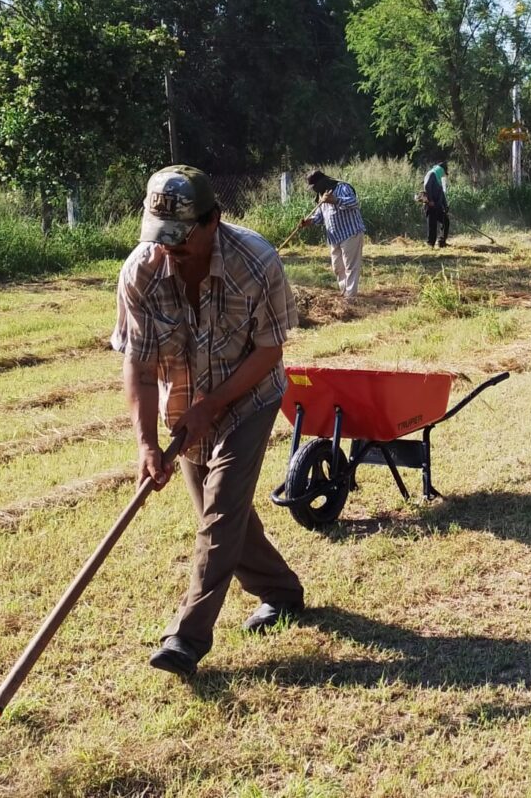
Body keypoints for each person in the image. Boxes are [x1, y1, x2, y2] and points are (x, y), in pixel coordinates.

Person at [112, 165, 305, 678]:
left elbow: (269, 350)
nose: (167, 249)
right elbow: (138, 361)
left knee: (221, 509)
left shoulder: (255, 262)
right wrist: (147, 445)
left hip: (249, 397)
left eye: (180, 237)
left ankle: (187, 638)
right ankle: (281, 591)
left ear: (213, 219)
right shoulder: (141, 273)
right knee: (220, 517)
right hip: (185, 404)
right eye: (160, 237)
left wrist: (216, 402)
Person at [300, 169, 365, 300]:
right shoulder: (321, 196)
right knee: (337, 267)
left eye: (314, 186)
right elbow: (320, 217)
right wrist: (309, 222)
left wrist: (335, 200)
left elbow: (354, 203)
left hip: (350, 233)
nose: (314, 190)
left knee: (350, 267)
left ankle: (350, 297)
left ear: (322, 182)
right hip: (335, 237)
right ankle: (344, 291)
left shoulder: (342, 187)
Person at [422, 160, 451, 248]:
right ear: (441, 170)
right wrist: (430, 200)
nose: (444, 175)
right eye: (444, 172)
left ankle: (442, 242)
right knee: (432, 225)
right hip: (430, 205)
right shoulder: (431, 174)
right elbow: (427, 186)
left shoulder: (439, 178)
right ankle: (430, 244)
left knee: (446, 221)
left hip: (438, 206)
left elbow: (442, 193)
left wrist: (445, 206)